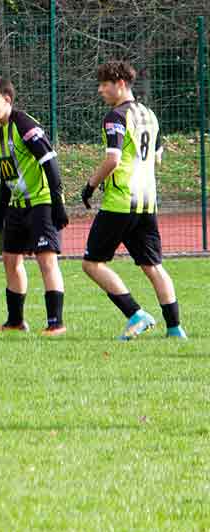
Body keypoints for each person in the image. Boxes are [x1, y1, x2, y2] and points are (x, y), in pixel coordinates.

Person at [80, 61, 187, 340]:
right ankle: (175, 329)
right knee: (153, 266)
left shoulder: (115, 116)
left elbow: (113, 159)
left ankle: (136, 314)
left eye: (105, 84)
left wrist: (91, 185)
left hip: (120, 202)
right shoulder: (150, 115)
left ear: (121, 84)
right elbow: (158, 157)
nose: (100, 89)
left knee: (92, 264)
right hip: (147, 201)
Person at [0, 76, 69, 336]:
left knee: (46, 261)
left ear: (7, 100)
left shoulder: (24, 123)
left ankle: (56, 323)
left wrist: (57, 203)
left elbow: (49, 162)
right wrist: (1, 209)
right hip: (17, 206)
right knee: (10, 260)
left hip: (41, 203)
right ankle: (15, 321)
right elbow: (8, 174)